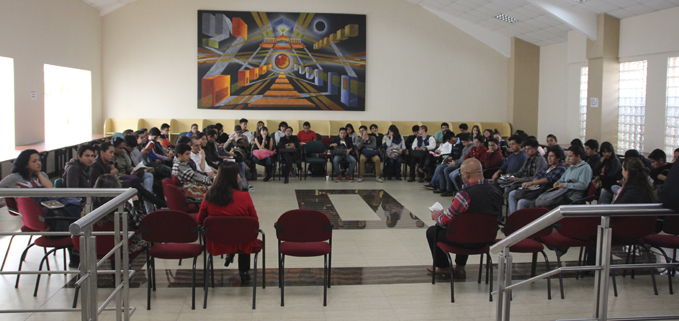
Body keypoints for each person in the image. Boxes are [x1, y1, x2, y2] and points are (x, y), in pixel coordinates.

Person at [426, 158, 503, 279]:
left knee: (433, 231)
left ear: (466, 175)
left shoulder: (465, 194)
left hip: (463, 239)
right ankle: (460, 266)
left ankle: (443, 267)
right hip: (486, 239)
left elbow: (447, 219)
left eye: (461, 174)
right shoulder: (497, 191)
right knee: (468, 224)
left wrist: (436, 215)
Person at [198, 162, 258, 281]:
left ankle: (231, 252)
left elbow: (200, 220)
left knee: (239, 233)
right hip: (241, 239)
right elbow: (254, 221)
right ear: (236, 177)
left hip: (216, 240)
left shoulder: (209, 196)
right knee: (246, 235)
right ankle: (244, 271)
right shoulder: (244, 196)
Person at [92, 174, 148, 253]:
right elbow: (138, 224)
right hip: (122, 245)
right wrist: (137, 203)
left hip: (95, 246)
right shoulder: (122, 205)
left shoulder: (89, 206)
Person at [507, 149, 565, 214]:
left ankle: (520, 221)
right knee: (512, 193)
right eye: (548, 156)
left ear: (558, 158)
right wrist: (535, 181)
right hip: (536, 189)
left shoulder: (560, 168)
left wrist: (533, 182)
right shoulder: (549, 166)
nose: (549, 158)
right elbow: (538, 175)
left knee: (522, 202)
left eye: (552, 156)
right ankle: (513, 218)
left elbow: (548, 179)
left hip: (543, 193)